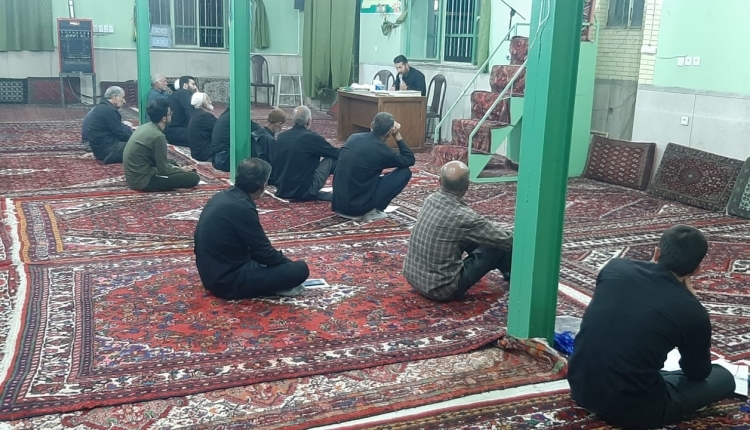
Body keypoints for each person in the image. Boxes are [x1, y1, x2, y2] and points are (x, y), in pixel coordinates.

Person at [568, 225, 736, 429]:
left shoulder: (615, 267)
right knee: (723, 377)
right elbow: (697, 373)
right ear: (697, 270)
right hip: (636, 410)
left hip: (580, 387)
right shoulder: (692, 311)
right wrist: (689, 301)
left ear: (656, 252)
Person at [194, 157, 311, 299]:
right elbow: (263, 252)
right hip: (228, 282)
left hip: (211, 274)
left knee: (271, 266)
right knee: (300, 270)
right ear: (263, 185)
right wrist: (287, 267)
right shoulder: (242, 207)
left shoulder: (222, 197)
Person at [403, 161, 513, 301]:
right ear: (467, 185)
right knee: (496, 245)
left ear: (439, 181)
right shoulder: (464, 217)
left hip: (414, 277)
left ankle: (508, 271)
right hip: (441, 289)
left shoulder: (430, 200)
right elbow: (507, 240)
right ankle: (517, 276)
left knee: (475, 236)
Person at [332, 112, 415, 221]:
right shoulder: (382, 150)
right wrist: (397, 136)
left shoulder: (353, 138)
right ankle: (374, 211)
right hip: (357, 209)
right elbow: (409, 159)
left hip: (337, 204)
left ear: (371, 125)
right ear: (389, 132)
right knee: (405, 172)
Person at [123, 100, 200, 192]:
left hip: (134, 176)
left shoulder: (145, 127)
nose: (171, 115)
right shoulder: (158, 136)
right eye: (170, 114)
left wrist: (176, 167)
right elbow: (163, 170)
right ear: (164, 119)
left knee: (173, 162)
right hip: (144, 181)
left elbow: (158, 159)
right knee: (193, 177)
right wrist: (181, 170)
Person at [274, 105, 339, 201]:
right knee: (332, 159)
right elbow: (335, 153)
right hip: (304, 190)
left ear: (293, 120)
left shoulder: (281, 137)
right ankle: (343, 192)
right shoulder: (312, 138)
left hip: (282, 189)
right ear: (308, 121)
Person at [210, 102, 263, 172]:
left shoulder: (227, 115)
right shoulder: (237, 116)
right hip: (224, 159)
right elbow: (259, 130)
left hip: (217, 159)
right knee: (256, 142)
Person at [86, 86, 133, 164]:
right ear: (114, 97)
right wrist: (135, 139)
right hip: (108, 150)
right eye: (122, 97)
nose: (124, 101)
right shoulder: (110, 111)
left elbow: (119, 127)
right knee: (140, 149)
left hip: (100, 148)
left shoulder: (102, 107)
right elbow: (121, 134)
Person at [251, 108, 287, 186]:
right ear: (278, 124)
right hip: (267, 175)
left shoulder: (258, 133)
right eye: (282, 125)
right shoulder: (270, 140)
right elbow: (275, 162)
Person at [164, 75, 197, 147]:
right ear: (185, 85)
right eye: (193, 84)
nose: (195, 87)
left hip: (173, 132)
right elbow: (191, 114)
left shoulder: (179, 94)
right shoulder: (183, 93)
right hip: (174, 131)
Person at [187, 92, 216, 161]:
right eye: (208, 100)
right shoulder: (204, 116)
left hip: (197, 152)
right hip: (205, 153)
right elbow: (219, 129)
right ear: (204, 103)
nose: (210, 101)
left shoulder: (196, 114)